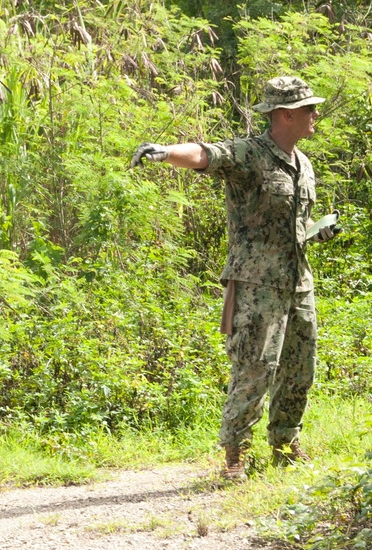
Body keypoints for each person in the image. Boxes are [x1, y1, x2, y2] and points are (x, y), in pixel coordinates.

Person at [129, 76, 341, 480]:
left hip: (298, 283)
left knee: (300, 368)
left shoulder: (303, 163)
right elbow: (208, 155)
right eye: (308, 109)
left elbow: (293, 221)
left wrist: (318, 229)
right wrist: (164, 153)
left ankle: (285, 443)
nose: (315, 115)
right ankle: (235, 455)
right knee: (254, 366)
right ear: (285, 114)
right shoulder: (251, 155)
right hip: (257, 284)